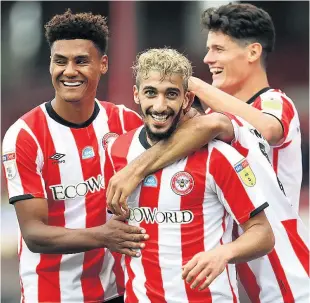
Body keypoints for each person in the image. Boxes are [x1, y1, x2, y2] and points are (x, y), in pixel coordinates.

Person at [2, 9, 151, 303]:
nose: (69, 71)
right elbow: (34, 235)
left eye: (81, 61)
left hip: (118, 290)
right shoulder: (25, 135)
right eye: (60, 61)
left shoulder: (125, 123)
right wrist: (104, 236)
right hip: (51, 294)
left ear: (103, 64)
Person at [106, 48, 275, 302]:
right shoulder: (117, 151)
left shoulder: (219, 156)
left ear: (186, 99)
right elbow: (116, 223)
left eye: (171, 94)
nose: (160, 106)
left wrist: (224, 253)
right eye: (150, 92)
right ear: (136, 95)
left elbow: (262, 233)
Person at [188, 3, 302, 214]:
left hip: (278, 244)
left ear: (253, 52)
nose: (207, 59)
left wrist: (194, 84)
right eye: (208, 49)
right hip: (232, 243)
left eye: (218, 49)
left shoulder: (274, 102)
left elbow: (267, 130)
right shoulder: (212, 115)